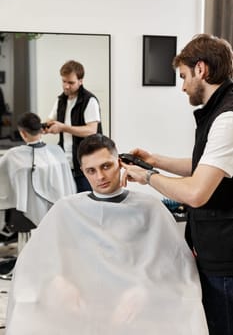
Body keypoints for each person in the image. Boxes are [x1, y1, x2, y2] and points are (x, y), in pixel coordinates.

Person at [6, 134, 208, 335]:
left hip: (134, 297)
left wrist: (143, 289)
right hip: (82, 299)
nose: (100, 177)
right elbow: (36, 263)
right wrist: (58, 281)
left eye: (106, 166)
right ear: (83, 172)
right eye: (91, 171)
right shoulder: (66, 209)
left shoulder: (150, 208)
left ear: (120, 163)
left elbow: (174, 264)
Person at [121, 34, 233, 335]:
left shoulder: (227, 119)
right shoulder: (219, 113)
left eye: (183, 76)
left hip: (226, 259)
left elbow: (196, 192)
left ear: (201, 70)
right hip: (215, 251)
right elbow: (206, 166)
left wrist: (147, 177)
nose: (182, 86)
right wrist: (155, 160)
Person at [0, 112, 76, 227]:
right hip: (57, 212)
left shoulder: (13, 155)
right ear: (41, 130)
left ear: (23, 133)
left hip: (26, 214)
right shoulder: (57, 151)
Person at [45, 60, 103, 193]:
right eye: (64, 81)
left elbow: (91, 130)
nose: (66, 86)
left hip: (86, 163)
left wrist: (63, 127)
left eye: (70, 83)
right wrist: (44, 127)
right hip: (65, 163)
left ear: (80, 81)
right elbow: (50, 120)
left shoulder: (90, 101)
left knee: (87, 203)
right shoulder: (61, 100)